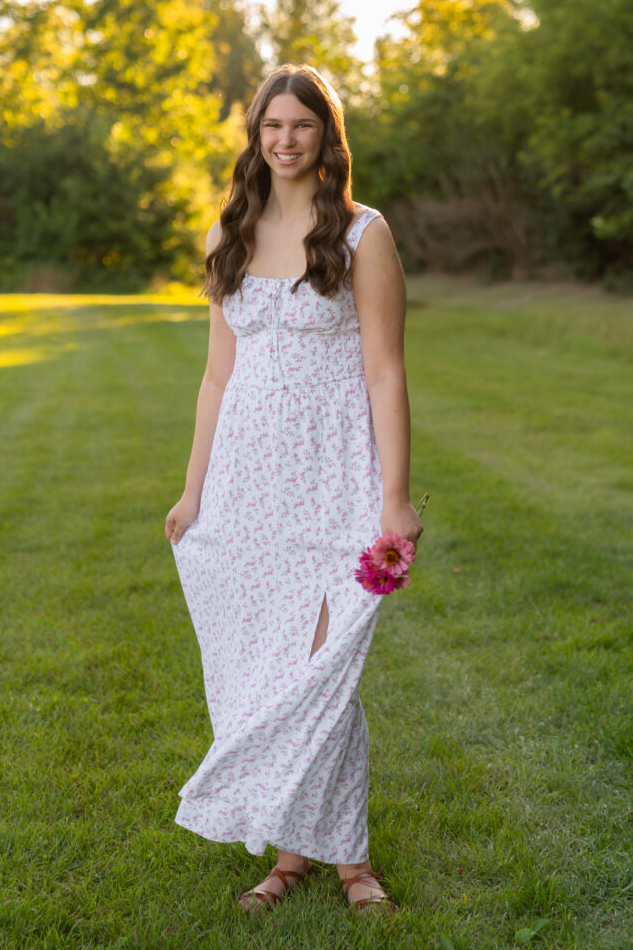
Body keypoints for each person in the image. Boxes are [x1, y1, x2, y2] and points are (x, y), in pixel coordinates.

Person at [164, 63, 423, 916]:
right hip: (245, 485)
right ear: (255, 134)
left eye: (300, 125)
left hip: (334, 479)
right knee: (266, 669)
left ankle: (348, 862)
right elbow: (214, 378)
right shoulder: (225, 233)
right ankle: (292, 856)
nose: (283, 139)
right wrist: (193, 490)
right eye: (270, 125)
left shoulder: (360, 233)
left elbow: (385, 372)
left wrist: (394, 498)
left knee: (322, 671)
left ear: (326, 137)